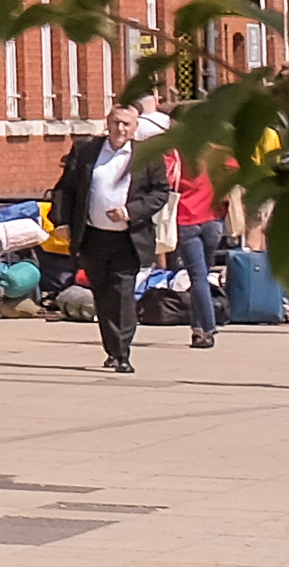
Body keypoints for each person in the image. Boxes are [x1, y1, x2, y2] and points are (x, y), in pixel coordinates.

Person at [59, 101, 159, 375]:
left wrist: (129, 212)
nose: (120, 129)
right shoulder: (87, 150)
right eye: (116, 122)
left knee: (123, 294)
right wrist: (63, 222)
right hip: (93, 236)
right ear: (108, 122)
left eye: (126, 124)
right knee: (102, 295)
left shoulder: (147, 156)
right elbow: (66, 189)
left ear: (135, 127)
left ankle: (123, 352)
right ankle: (112, 349)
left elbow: (159, 194)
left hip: (128, 238)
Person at [169, 139, 226, 351]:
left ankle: (207, 328)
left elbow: (165, 178)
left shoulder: (175, 151)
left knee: (197, 276)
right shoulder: (217, 150)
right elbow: (234, 169)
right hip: (213, 218)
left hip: (186, 218)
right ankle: (197, 326)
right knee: (203, 273)